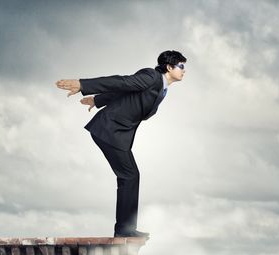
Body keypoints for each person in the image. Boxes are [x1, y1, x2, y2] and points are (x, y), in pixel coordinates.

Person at [55, 50, 187, 237]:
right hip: (109, 130)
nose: (184, 70)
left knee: (130, 176)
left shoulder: (161, 87)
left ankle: (125, 229)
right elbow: (121, 82)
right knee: (130, 176)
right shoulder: (151, 77)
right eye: (181, 66)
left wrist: (98, 99)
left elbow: (126, 92)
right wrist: (83, 85)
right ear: (169, 67)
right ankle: (125, 231)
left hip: (117, 133)